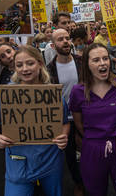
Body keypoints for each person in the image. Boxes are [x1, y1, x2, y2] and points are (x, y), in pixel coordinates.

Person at [0, 45, 70, 196]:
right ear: (14, 68)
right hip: (18, 163)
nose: (25, 69)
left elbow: (64, 123)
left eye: (30, 63)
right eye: (19, 65)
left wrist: (64, 136)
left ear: (40, 64)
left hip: (50, 160)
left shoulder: (52, 94)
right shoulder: (5, 94)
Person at [69, 43, 116, 196]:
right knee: (95, 191)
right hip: (92, 148)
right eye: (96, 60)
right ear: (86, 64)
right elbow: (79, 124)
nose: (102, 63)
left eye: (105, 58)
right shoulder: (78, 91)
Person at [46, 28, 84, 196]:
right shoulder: (49, 69)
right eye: (60, 39)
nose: (66, 41)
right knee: (69, 153)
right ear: (53, 45)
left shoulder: (82, 61)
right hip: (63, 119)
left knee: (87, 149)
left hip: (84, 115)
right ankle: (78, 182)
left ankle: (91, 177)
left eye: (67, 38)